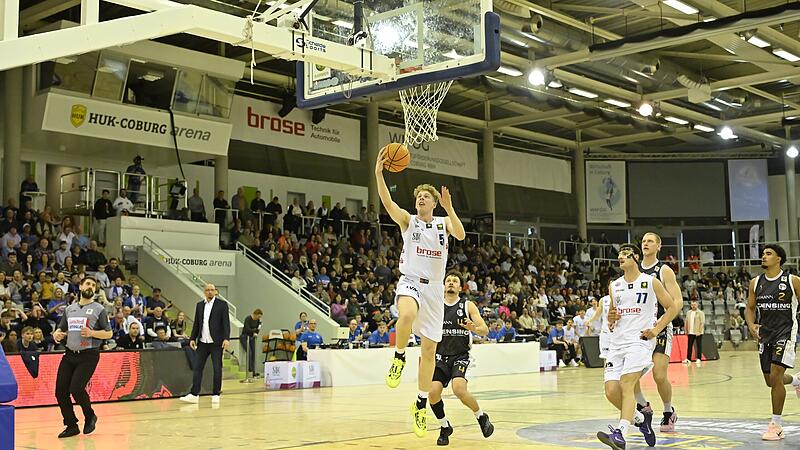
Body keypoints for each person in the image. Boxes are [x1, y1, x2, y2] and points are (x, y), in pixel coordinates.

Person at [376, 148, 466, 438]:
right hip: (411, 281)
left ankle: (419, 403)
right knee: (406, 315)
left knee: (429, 352)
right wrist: (379, 174)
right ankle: (399, 357)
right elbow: (388, 202)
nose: (421, 199)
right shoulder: (408, 221)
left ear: (434, 203)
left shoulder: (442, 223)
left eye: (426, 196)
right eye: (418, 197)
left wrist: (450, 208)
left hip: (435, 290)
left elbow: (461, 234)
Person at [597, 244, 678, 450]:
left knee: (627, 384)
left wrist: (656, 329)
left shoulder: (651, 282)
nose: (621, 257)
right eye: (620, 254)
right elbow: (612, 316)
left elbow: (671, 307)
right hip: (617, 342)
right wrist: (611, 317)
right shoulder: (614, 286)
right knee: (611, 391)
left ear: (635, 257)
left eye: (625, 254)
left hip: (640, 341)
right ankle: (641, 419)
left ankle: (620, 433)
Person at [429, 272, 493, 446]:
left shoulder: (467, 305)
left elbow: (485, 330)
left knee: (458, 389)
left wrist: (474, 328)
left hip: (460, 355)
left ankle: (481, 416)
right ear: (443, 285)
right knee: (433, 393)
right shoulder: (436, 306)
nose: (451, 283)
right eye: (448, 280)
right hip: (440, 356)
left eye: (455, 281)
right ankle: (445, 427)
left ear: (460, 287)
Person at [744, 244, 800, 441]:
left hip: (786, 333)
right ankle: (796, 381)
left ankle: (776, 425)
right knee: (771, 381)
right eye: (763, 253)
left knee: (776, 374)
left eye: (768, 254)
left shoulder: (792, 281)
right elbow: (750, 308)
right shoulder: (755, 282)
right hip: (766, 335)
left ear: (779, 259)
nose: (764, 256)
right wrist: (751, 325)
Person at [633, 232, 684, 432]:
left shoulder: (663, 270)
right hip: (638, 328)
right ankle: (643, 405)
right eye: (644, 241)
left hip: (660, 327)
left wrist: (659, 327)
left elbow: (677, 301)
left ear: (659, 246)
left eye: (650, 241)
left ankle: (668, 411)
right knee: (630, 373)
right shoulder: (634, 270)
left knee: (659, 375)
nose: (646, 244)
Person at [51, 276, 112, 438]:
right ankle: (71, 425)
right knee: (60, 391)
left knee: (76, 389)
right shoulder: (69, 309)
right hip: (69, 354)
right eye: (87, 284)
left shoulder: (99, 309)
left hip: (88, 356)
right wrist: (57, 334)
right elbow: (61, 328)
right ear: (80, 286)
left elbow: (109, 333)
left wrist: (92, 333)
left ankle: (90, 415)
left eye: (93, 285)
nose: (90, 286)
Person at [180, 283, 230, 405]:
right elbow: (197, 323)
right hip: (202, 342)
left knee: (217, 368)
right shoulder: (200, 305)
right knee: (197, 367)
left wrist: (226, 338)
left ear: (215, 291)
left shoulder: (222, 305)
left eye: (212, 290)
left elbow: (226, 323)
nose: (210, 292)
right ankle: (194, 394)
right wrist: (192, 338)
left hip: (216, 342)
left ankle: (216, 394)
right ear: (204, 291)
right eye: (207, 290)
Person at [240, 309, 263, 382]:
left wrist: (256, 331)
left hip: (252, 338)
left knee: (253, 353)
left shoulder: (258, 321)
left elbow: (258, 329)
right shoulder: (248, 318)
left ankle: (253, 371)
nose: (259, 318)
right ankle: (250, 370)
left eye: (260, 317)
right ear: (255, 314)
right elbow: (247, 329)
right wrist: (254, 330)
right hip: (245, 337)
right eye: (258, 316)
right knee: (249, 352)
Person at [684, 301, 705, 366]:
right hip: (690, 332)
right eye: (692, 305)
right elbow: (686, 321)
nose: (693, 306)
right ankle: (688, 359)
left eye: (694, 304)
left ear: (697, 305)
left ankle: (699, 358)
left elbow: (702, 322)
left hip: (698, 332)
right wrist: (686, 330)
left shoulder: (700, 313)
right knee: (689, 346)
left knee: (699, 345)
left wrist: (699, 331)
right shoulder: (688, 313)